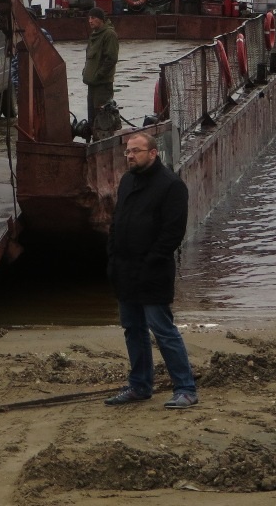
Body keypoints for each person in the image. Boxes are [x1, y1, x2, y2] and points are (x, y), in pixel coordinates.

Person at [103, 131, 198, 408]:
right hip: (124, 269)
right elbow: (117, 221)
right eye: (128, 152)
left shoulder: (171, 186)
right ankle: (140, 385)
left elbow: (173, 232)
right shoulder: (128, 180)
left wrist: (151, 261)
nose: (130, 156)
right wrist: (112, 256)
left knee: (162, 329)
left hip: (153, 270)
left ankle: (185, 388)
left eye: (136, 151)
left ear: (153, 153)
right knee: (133, 329)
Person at [82, 6, 119, 121]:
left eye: (93, 18)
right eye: (89, 18)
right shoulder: (94, 34)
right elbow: (89, 57)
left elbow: (111, 59)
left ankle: (103, 137)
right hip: (92, 83)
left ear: (101, 19)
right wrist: (86, 72)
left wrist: (99, 75)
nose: (90, 21)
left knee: (102, 116)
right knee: (92, 116)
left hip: (102, 84)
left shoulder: (109, 35)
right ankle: (93, 137)